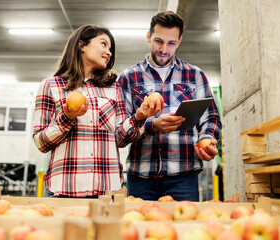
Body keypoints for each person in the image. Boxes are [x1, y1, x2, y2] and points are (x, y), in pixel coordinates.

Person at [32, 24, 163, 198]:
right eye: (103, 44)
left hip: (106, 192)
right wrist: (67, 117)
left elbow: (120, 139)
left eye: (110, 49)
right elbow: (41, 143)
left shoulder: (114, 88)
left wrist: (139, 116)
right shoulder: (51, 86)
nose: (109, 52)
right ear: (81, 45)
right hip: (65, 191)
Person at [117, 11, 222, 201]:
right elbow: (119, 135)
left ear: (179, 41)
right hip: (141, 177)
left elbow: (211, 118)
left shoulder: (195, 75)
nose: (164, 49)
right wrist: (151, 126)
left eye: (171, 43)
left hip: (184, 176)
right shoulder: (128, 78)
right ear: (148, 37)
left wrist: (207, 140)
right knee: (139, 228)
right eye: (158, 41)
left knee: (185, 230)